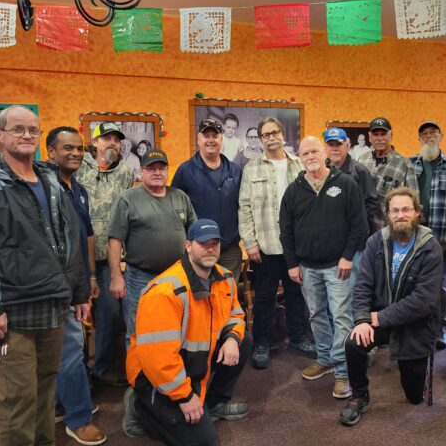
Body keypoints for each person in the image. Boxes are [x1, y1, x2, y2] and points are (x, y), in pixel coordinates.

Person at [0, 106, 89, 445]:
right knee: (18, 395)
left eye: (32, 130)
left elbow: (70, 239)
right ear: (0, 134)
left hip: (53, 304)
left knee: (46, 386)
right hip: (10, 312)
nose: (26, 135)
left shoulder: (51, 179)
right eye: (17, 129)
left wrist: (78, 293)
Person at [122, 219, 251, 446]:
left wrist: (231, 338)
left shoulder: (224, 277)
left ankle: (214, 402)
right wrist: (184, 396)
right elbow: (158, 359)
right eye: (203, 243)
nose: (210, 248)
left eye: (215, 243)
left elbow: (236, 315)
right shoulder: (164, 291)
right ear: (189, 245)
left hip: (191, 361)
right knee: (204, 441)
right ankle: (138, 407)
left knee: (244, 340)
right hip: (155, 375)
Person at [339, 187, 442, 426]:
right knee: (353, 343)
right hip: (378, 317)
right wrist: (362, 320)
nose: (400, 215)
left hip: (415, 324)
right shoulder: (375, 242)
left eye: (406, 209)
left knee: (414, 397)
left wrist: (380, 317)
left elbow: (423, 301)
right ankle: (359, 395)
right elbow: (362, 285)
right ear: (388, 214)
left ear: (417, 213)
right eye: (394, 210)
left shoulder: (430, 247)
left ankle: (418, 376)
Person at [280, 136, 368, 399]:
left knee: (342, 318)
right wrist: (292, 264)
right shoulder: (294, 190)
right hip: (307, 268)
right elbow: (286, 231)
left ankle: (343, 373)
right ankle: (325, 358)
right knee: (317, 315)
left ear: (323, 153)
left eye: (314, 151)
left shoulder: (345, 184)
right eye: (304, 153)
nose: (310, 156)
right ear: (300, 157)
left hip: (338, 266)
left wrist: (348, 256)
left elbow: (359, 224)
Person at [238, 117, 315, 370]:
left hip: (297, 246)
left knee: (296, 295)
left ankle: (299, 338)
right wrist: (250, 243)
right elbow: (245, 207)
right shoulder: (251, 168)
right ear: (260, 140)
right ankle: (262, 343)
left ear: (283, 135)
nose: (271, 138)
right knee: (264, 297)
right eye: (265, 135)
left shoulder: (298, 166)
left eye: (275, 133)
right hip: (266, 246)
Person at [46, 126, 106, 446]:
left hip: (79, 279)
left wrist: (92, 277)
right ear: (51, 152)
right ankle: (79, 418)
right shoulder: (44, 189)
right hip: (58, 283)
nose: (75, 153)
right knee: (71, 349)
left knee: (72, 345)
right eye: (67, 148)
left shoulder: (78, 189)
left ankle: (61, 404)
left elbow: (87, 234)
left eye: (80, 148)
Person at [107, 148, 196, 349]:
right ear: (142, 172)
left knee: (177, 328)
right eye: (151, 168)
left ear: (167, 171)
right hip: (141, 278)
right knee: (138, 332)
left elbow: (194, 234)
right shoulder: (128, 198)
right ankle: (137, 380)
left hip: (177, 276)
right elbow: (114, 240)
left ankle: (170, 376)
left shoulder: (180, 196)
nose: (157, 172)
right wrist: (116, 277)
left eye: (161, 168)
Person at [77, 122, 134, 386]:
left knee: (110, 313)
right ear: (95, 142)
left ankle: (102, 368)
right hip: (77, 259)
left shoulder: (125, 173)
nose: (113, 143)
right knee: (74, 315)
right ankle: (77, 374)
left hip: (109, 260)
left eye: (117, 140)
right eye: (107, 138)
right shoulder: (78, 169)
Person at [409, 121, 446, 350]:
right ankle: (416, 327)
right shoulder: (410, 165)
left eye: (433, 133)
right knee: (413, 283)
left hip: (442, 237)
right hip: (414, 237)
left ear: (441, 136)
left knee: (440, 287)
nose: (429, 137)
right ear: (419, 138)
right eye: (424, 134)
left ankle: (440, 328)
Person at [172, 118, 244, 281]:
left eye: (215, 136)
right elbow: (174, 209)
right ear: (198, 139)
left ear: (221, 139)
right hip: (199, 251)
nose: (210, 140)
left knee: (227, 298)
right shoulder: (185, 170)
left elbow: (244, 206)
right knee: (200, 299)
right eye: (206, 136)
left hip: (229, 252)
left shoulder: (235, 170)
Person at [323, 127, 380, 287]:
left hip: (353, 247)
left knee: (350, 291)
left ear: (347, 146)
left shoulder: (360, 172)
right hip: (327, 245)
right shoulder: (320, 171)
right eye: (331, 144)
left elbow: (371, 205)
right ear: (325, 147)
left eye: (338, 144)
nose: (334, 148)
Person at [357, 117, 419, 228]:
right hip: (363, 227)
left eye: (383, 134)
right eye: (376, 134)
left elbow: (414, 200)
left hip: (389, 229)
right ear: (370, 137)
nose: (380, 138)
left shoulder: (404, 164)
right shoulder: (361, 160)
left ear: (391, 136)